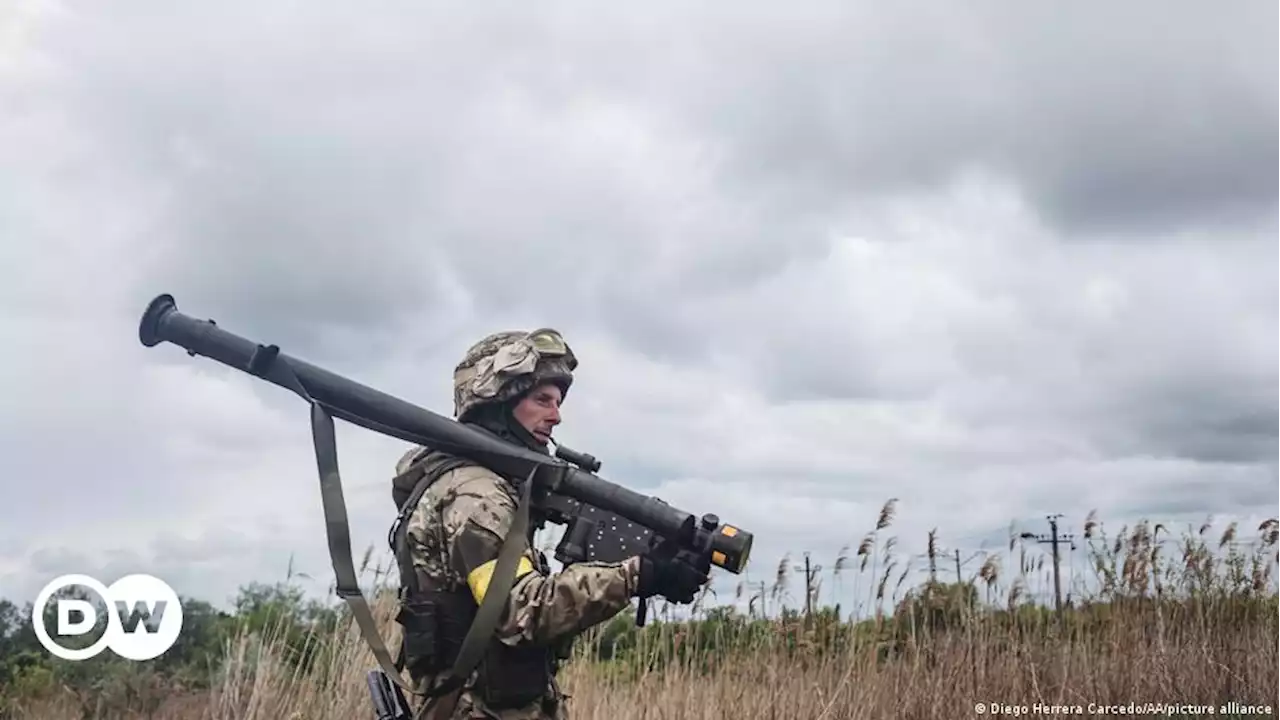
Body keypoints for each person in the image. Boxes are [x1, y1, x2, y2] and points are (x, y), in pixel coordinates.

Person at [389, 328, 709, 719]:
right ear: (497, 403)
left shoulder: (481, 485)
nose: (555, 416)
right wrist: (636, 576)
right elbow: (521, 610)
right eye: (542, 400)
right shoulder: (475, 494)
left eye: (557, 402)